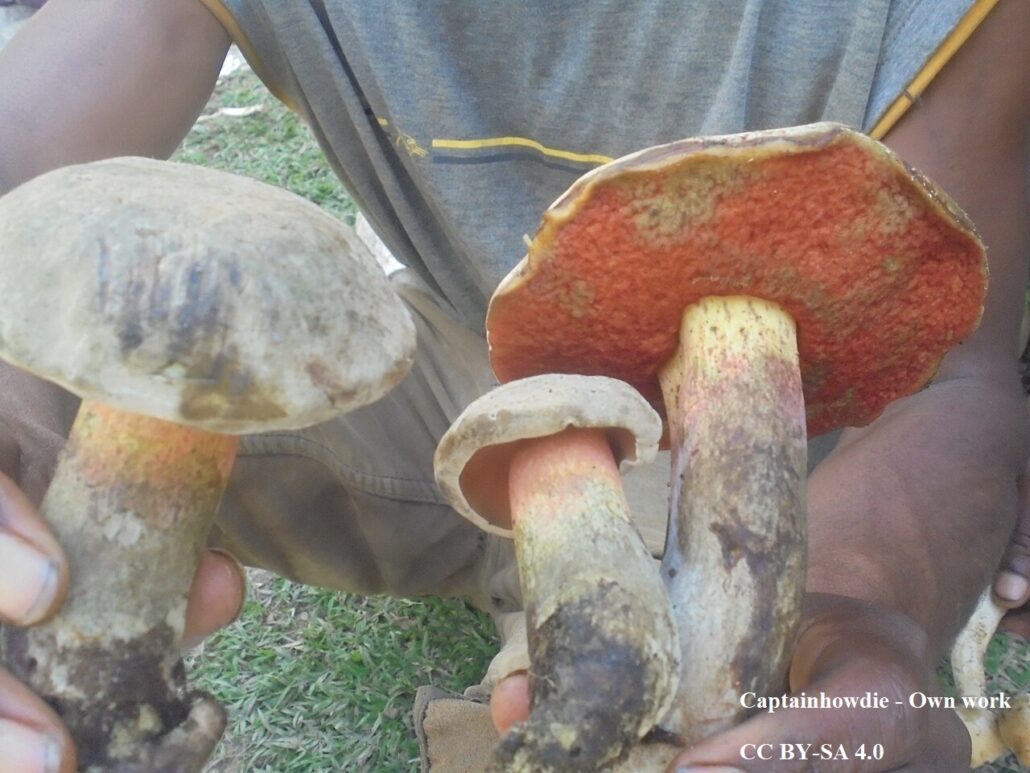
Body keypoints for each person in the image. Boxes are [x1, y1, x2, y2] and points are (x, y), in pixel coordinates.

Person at [0, 1, 1027, 771]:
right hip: (439, 362)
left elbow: (959, 372)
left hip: (749, 449)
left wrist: (863, 598)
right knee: (129, 407)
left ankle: (585, 642)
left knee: (653, 685)